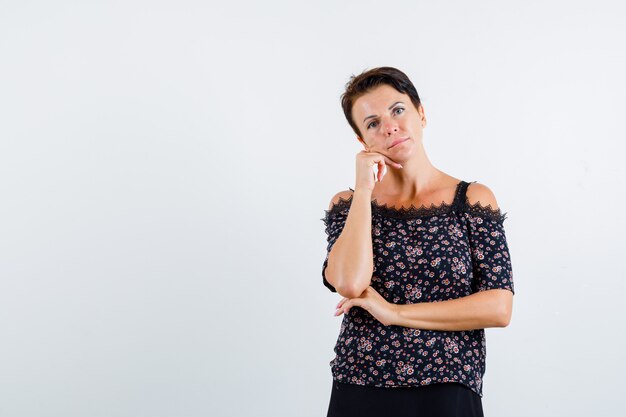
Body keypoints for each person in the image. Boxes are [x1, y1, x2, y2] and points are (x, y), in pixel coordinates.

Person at [321, 67, 515, 417]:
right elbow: (349, 283)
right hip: (360, 383)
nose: (390, 126)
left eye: (398, 110)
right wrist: (364, 189)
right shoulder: (348, 205)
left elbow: (498, 307)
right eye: (372, 123)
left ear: (421, 113)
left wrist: (394, 313)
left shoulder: (472, 200)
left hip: (447, 386)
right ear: (362, 142)